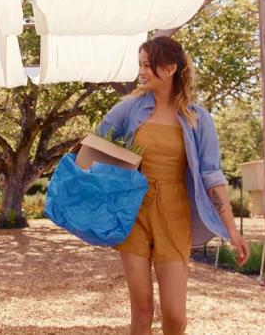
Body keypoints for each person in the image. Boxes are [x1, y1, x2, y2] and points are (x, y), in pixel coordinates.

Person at [98, 37, 249, 335]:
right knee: (142, 310)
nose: (141, 71)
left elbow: (212, 176)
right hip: (134, 214)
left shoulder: (197, 118)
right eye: (139, 64)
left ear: (169, 68)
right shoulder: (128, 110)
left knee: (176, 316)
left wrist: (232, 230)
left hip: (174, 214)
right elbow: (96, 144)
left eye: (147, 65)